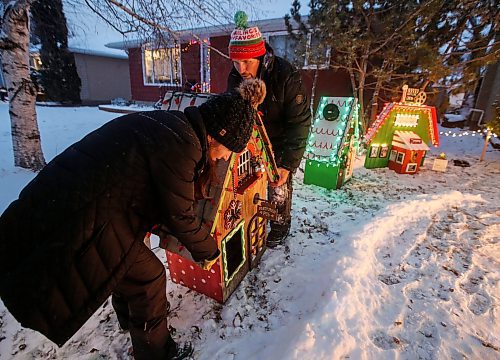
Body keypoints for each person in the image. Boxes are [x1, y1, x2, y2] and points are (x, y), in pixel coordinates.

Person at [0, 79, 266, 360]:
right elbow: (180, 215)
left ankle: (132, 321)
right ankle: (157, 353)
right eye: (229, 150)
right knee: (149, 278)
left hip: (82, 202)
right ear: (217, 136)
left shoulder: (171, 124)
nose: (226, 158)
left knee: (127, 265)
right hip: (87, 215)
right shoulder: (184, 146)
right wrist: (211, 251)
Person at [227, 11, 312, 248]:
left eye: (247, 62)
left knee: (278, 186)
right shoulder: (235, 77)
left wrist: (287, 163)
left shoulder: (285, 76)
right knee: (249, 181)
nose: (241, 68)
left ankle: (280, 224)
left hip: (281, 141)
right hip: (253, 141)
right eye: (236, 61)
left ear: (260, 56)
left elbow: (300, 122)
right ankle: (253, 215)